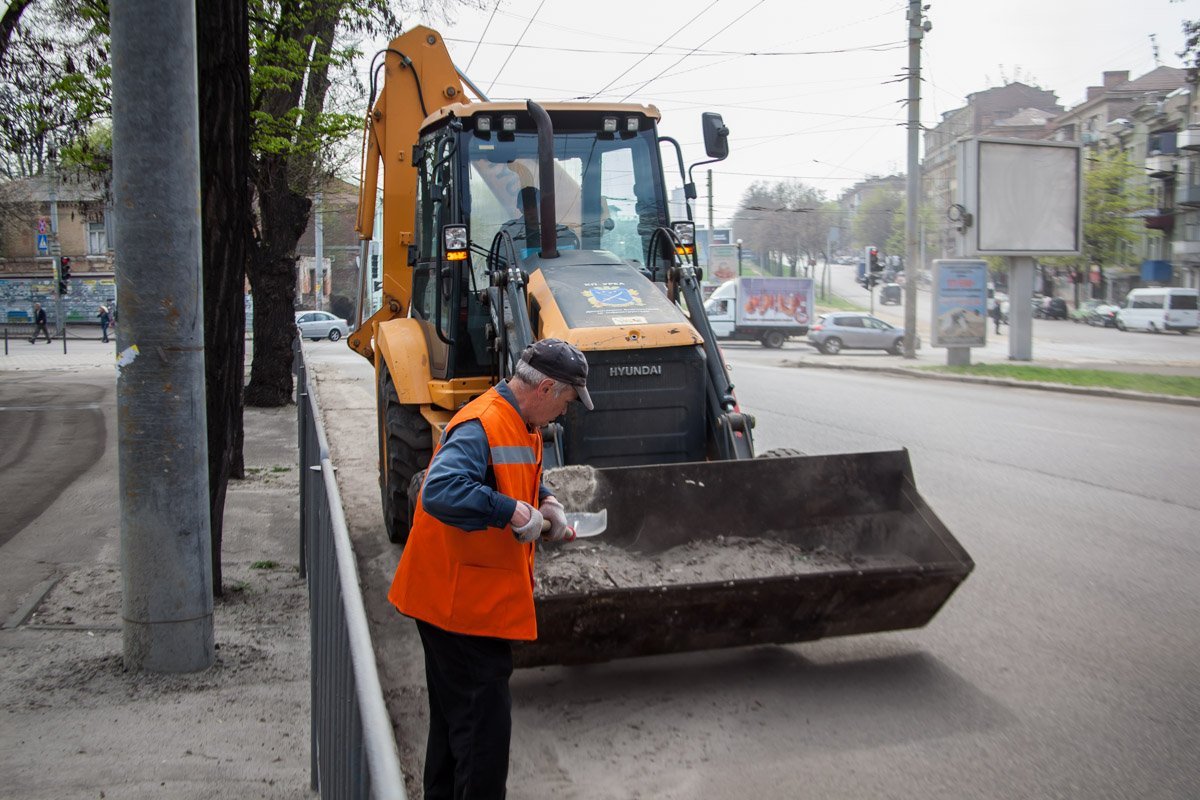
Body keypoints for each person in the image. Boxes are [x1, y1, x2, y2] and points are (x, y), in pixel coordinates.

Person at [388, 338, 594, 800]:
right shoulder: (483, 424)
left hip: (463, 601)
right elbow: (439, 491)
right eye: (566, 399)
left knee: (453, 726)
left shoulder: (521, 420)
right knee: (483, 739)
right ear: (544, 388)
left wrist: (547, 502)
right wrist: (513, 513)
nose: (566, 410)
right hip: (460, 609)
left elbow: (517, 473)